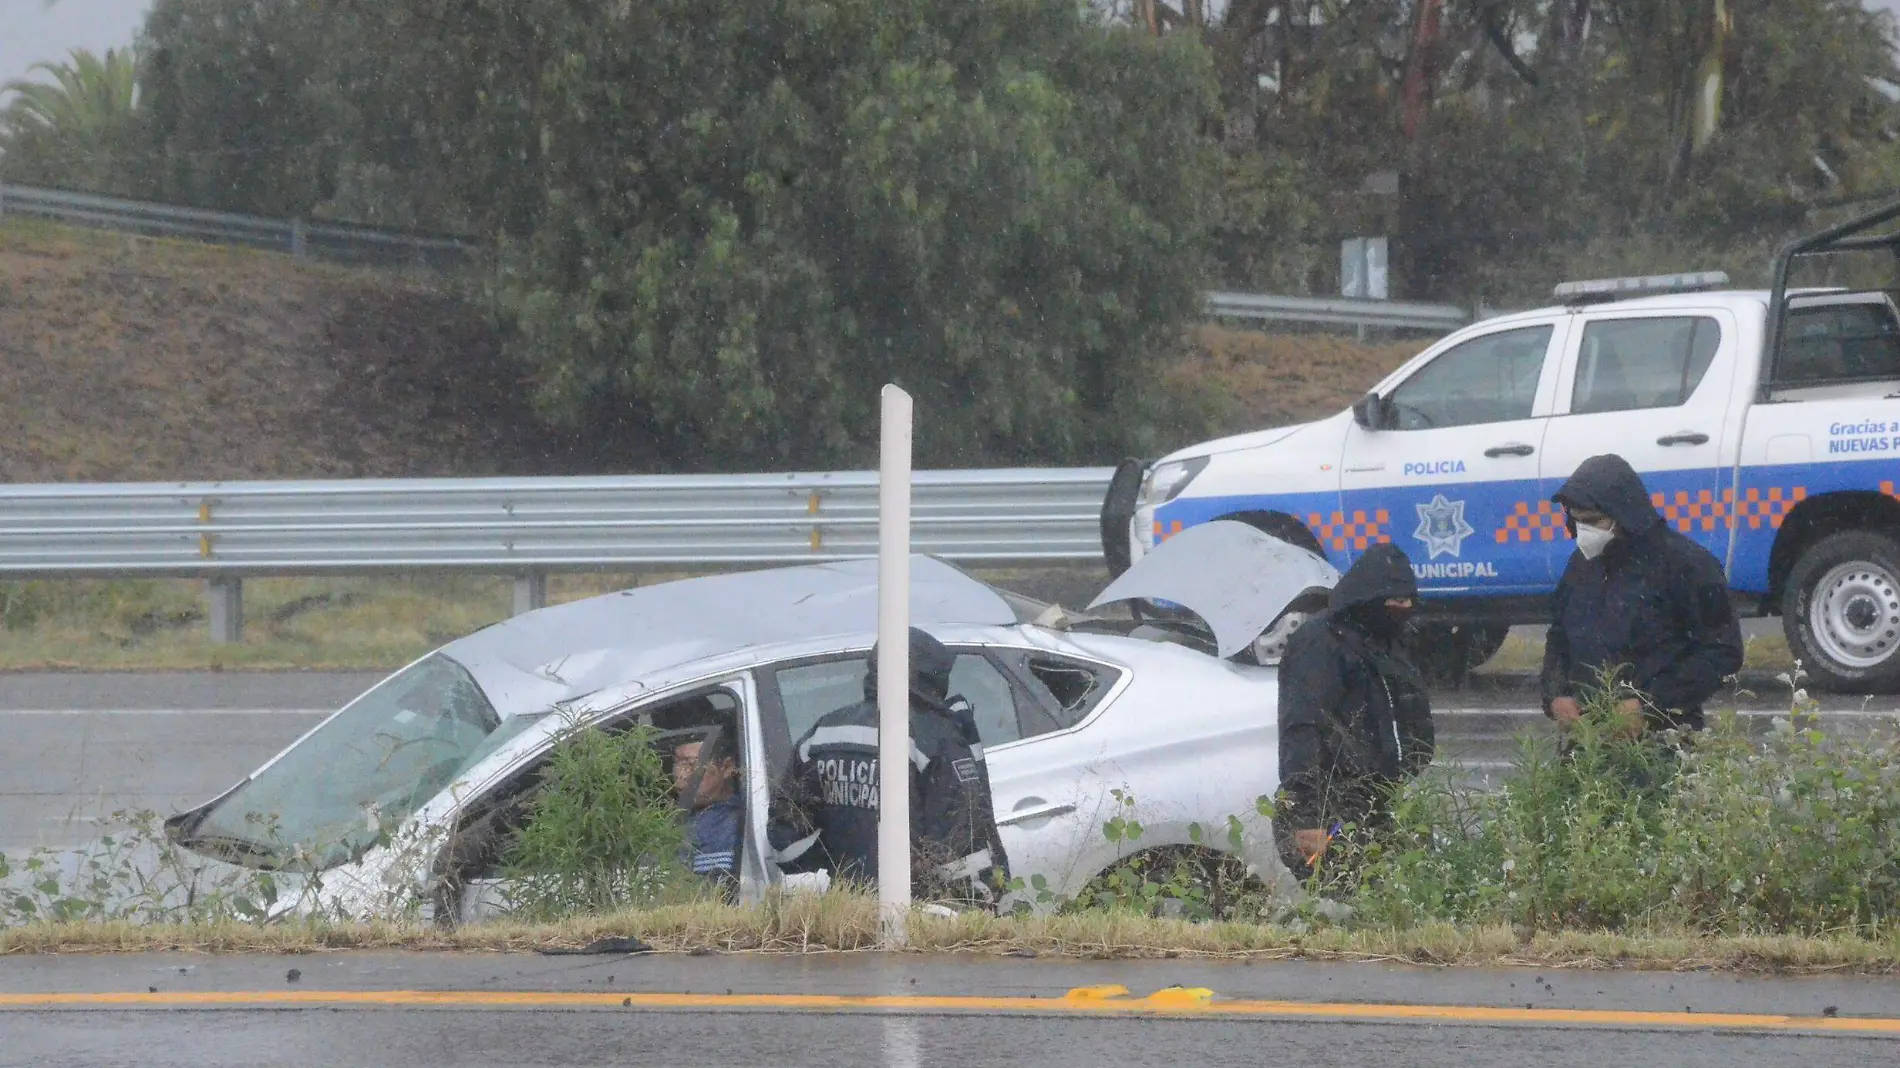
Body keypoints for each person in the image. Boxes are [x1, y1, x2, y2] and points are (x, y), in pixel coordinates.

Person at [771, 627, 1009, 902]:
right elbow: (962, 847)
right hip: (920, 917)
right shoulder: (937, 740)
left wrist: (844, 854)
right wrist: (984, 907)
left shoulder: (823, 732)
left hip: (848, 913)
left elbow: (785, 839)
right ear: (929, 677)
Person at [1542, 454, 1744, 739]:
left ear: (1623, 514)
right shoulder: (1582, 565)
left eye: (1593, 521)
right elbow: (1559, 636)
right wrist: (1556, 694)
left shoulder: (1687, 565)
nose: (1584, 532)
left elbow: (1722, 652)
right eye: (1576, 521)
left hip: (1662, 740)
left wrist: (1649, 703)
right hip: (1586, 746)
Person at [1274, 542, 1433, 883]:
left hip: (1381, 797)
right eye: (1394, 602)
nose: (1403, 609)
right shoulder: (1321, 642)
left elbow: (1406, 708)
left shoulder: (1387, 638)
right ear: (1368, 600)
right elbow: (1303, 727)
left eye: (1408, 602)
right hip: (1333, 806)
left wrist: (1411, 762)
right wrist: (1306, 815)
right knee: (1354, 906)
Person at [673, 738, 743, 891]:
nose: (680, 776)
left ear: (726, 767)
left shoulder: (737, 822)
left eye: (690, 765)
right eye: (677, 763)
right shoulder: (678, 817)